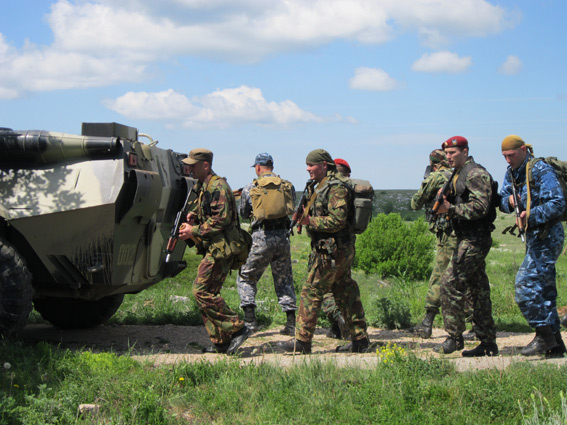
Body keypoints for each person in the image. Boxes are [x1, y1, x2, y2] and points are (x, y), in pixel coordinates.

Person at [277, 149, 369, 354]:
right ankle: (360, 339)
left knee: (311, 292)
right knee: (345, 291)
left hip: (333, 252)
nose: (308, 168)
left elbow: (338, 220)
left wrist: (310, 221)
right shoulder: (320, 186)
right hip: (336, 250)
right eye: (307, 165)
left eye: (312, 165)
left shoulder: (336, 187)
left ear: (324, 165)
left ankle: (302, 342)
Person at [499, 135, 566, 357]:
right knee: (545, 290)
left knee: (525, 285)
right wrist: (508, 202)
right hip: (534, 236)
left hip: (548, 234)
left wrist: (531, 215)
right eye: (505, 156)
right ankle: (555, 344)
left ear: (523, 149)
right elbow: (502, 198)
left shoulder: (539, 170)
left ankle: (543, 336)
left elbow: (557, 203)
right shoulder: (512, 172)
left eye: (512, 155)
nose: (508, 160)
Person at [179, 148, 250, 355]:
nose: (189, 168)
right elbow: (209, 211)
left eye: (193, 165)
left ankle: (237, 327)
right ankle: (221, 341)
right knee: (209, 293)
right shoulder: (204, 185)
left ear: (206, 165)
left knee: (201, 291)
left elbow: (221, 219)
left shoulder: (218, 185)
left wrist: (193, 230)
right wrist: (194, 215)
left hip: (223, 248)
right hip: (215, 246)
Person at [434, 136, 498, 357]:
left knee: (449, 283)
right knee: (477, 290)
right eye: (447, 153)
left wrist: (450, 210)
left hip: (475, 238)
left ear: (465, 151)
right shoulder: (458, 174)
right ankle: (488, 343)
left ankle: (454, 337)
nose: (448, 157)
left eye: (453, 153)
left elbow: (481, 207)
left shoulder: (475, 173)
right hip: (465, 237)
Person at [237, 153, 298, 335]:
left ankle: (250, 321)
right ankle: (291, 324)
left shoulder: (250, 188)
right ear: (272, 165)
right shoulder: (287, 186)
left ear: (257, 167)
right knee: (284, 278)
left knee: (246, 276)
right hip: (283, 237)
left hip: (261, 237)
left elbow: (243, 213)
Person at [409, 149, 458, 338]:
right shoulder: (460, 174)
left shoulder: (437, 177)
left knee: (439, 276)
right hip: (466, 232)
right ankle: (478, 325)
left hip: (448, 234)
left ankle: (427, 323)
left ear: (434, 163)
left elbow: (415, 203)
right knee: (467, 276)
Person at [320, 158, 352, 339]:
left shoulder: (331, 188)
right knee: (343, 284)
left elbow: (333, 220)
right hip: (348, 245)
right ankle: (339, 327)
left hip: (329, 245)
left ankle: (338, 320)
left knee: (323, 287)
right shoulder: (350, 188)